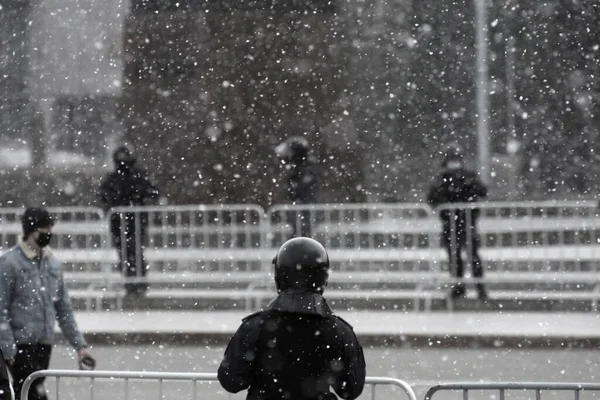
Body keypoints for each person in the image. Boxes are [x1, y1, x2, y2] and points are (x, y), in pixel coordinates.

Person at [218, 237, 366, 400]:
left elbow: (231, 381)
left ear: (279, 275)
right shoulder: (339, 330)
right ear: (323, 277)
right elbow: (351, 389)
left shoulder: (255, 326)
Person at [0, 207, 95, 400]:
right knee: (32, 392)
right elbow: (1, 308)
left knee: (29, 390)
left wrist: (80, 346)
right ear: (31, 230)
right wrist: (8, 346)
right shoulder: (9, 263)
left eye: (50, 228)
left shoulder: (53, 263)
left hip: (43, 343)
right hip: (20, 343)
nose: (48, 234)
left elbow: (63, 308)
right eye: (44, 229)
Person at [426, 145, 489, 300]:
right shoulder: (442, 179)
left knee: (470, 255)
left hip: (465, 222)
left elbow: (481, 191)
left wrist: (465, 184)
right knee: (456, 257)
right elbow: (432, 198)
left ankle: (477, 287)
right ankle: (461, 286)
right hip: (452, 223)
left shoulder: (466, 177)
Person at [98, 145, 160, 296]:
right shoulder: (127, 178)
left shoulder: (134, 177)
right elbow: (104, 196)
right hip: (122, 222)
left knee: (133, 252)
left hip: (132, 222)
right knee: (127, 253)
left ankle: (137, 283)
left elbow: (151, 194)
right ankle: (132, 283)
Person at [275, 137, 318, 238]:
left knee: (302, 224)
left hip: (302, 201)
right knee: (301, 224)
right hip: (301, 200)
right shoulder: (302, 167)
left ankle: (301, 239)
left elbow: (302, 187)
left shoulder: (301, 169)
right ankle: (301, 239)